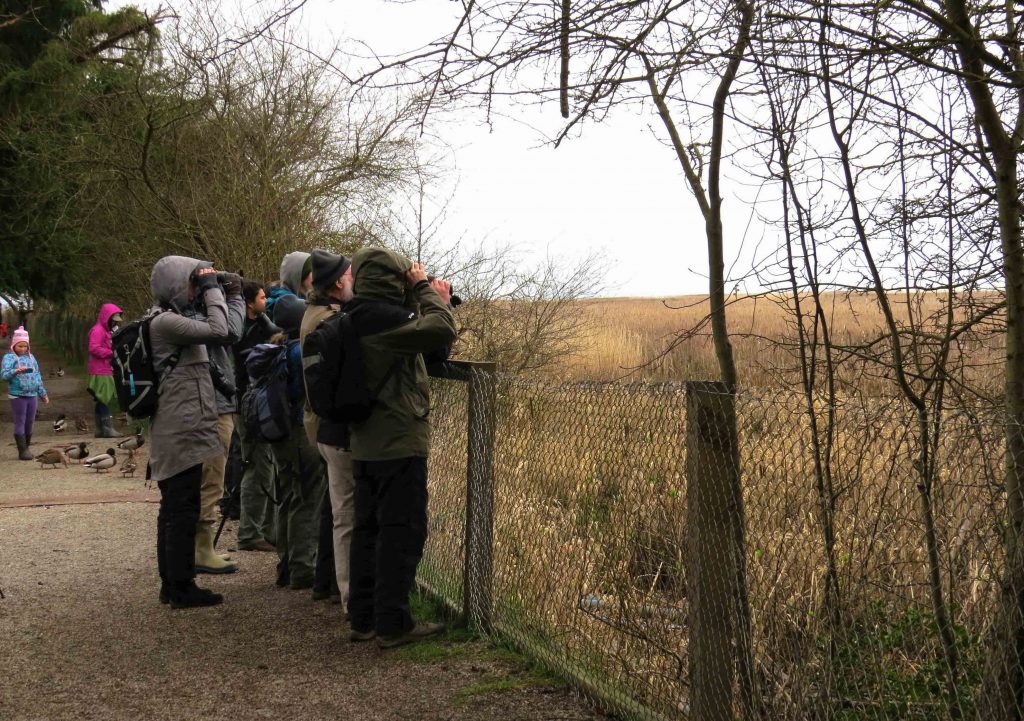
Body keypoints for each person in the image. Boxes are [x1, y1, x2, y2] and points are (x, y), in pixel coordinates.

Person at [345, 248, 456, 648]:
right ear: (395, 280)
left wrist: (413, 296)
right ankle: (393, 622)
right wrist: (427, 291)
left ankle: (363, 617)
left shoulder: (353, 316)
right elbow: (442, 329)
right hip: (397, 441)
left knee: (368, 530)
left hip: (363, 441)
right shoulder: (389, 322)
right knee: (402, 532)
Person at [148, 256, 234, 609]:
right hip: (179, 430)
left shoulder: (170, 320)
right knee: (180, 508)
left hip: (181, 427)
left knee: (175, 508)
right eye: (191, 283)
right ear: (173, 285)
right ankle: (181, 587)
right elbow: (220, 331)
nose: (195, 289)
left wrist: (220, 289)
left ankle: (173, 584)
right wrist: (213, 290)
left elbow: (229, 328)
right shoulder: (166, 322)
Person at [262, 289, 327, 590]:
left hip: (280, 434)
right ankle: (303, 568)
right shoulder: (300, 351)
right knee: (306, 499)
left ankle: (286, 564)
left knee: (289, 497)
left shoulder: (275, 348)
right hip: (300, 431)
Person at [299, 250, 354, 605]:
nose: (354, 281)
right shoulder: (328, 321)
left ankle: (326, 581)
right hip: (329, 423)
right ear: (337, 283)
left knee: (331, 506)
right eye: (350, 276)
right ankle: (342, 587)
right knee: (342, 510)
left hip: (315, 420)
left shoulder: (314, 313)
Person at [195, 275, 245, 574]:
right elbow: (232, 330)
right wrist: (234, 295)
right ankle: (201, 549)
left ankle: (204, 546)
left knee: (211, 478)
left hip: (211, 404)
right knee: (212, 479)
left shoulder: (186, 314)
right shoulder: (198, 316)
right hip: (215, 407)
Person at [231, 280, 279, 553]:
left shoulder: (262, 324)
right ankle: (250, 533)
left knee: (262, 466)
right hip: (248, 404)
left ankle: (261, 530)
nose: (266, 301)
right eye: (262, 298)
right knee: (258, 467)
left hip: (253, 403)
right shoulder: (239, 331)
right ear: (249, 302)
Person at [2, 326, 49, 461]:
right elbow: (4, 375)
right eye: (20, 346)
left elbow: (37, 376)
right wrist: (15, 371)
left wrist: (43, 393)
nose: (23, 349)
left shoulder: (31, 358)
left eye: (25, 346)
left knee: (30, 421)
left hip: (32, 394)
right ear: (14, 345)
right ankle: (22, 450)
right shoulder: (9, 358)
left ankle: (26, 447)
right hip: (17, 395)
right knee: (20, 421)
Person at [87, 303, 123, 438]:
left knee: (100, 398)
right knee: (104, 398)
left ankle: (100, 429)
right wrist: (111, 353)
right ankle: (108, 428)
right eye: (113, 319)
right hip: (100, 370)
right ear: (107, 317)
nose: (115, 322)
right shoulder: (98, 330)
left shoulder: (105, 331)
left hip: (103, 368)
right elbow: (93, 348)